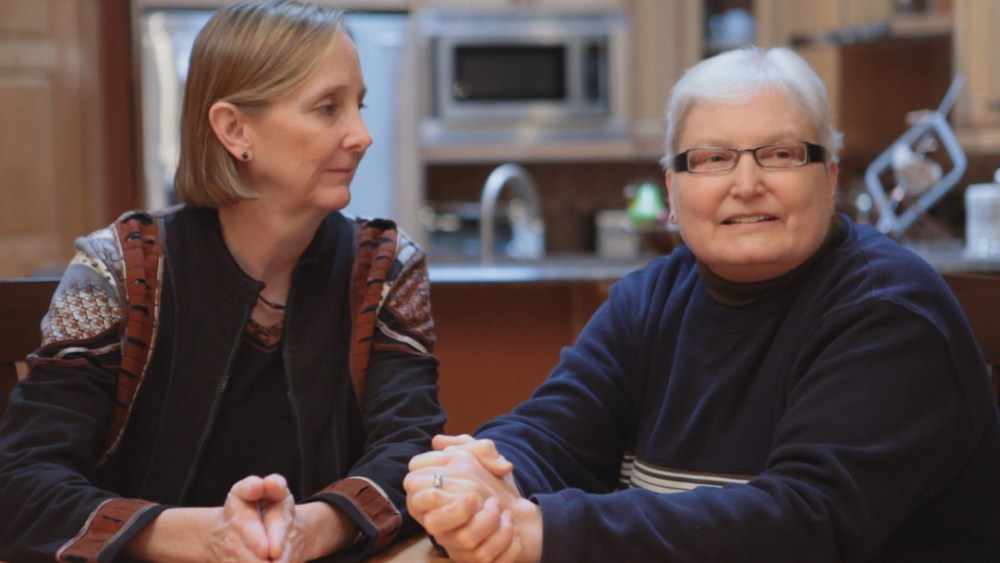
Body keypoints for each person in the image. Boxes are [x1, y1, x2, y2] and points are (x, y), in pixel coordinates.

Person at [404, 46, 1000, 562]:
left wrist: (546, 530)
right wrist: (481, 480)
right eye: (713, 158)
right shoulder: (649, 300)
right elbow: (553, 433)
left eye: (781, 154)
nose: (746, 184)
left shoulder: (889, 310)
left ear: (830, 176)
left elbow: (803, 524)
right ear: (672, 189)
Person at [0, 1, 445, 561]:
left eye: (360, 105)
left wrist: (312, 527)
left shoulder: (386, 268)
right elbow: (21, 485)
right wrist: (208, 537)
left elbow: (415, 457)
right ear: (235, 130)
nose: (362, 135)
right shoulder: (116, 270)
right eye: (328, 108)